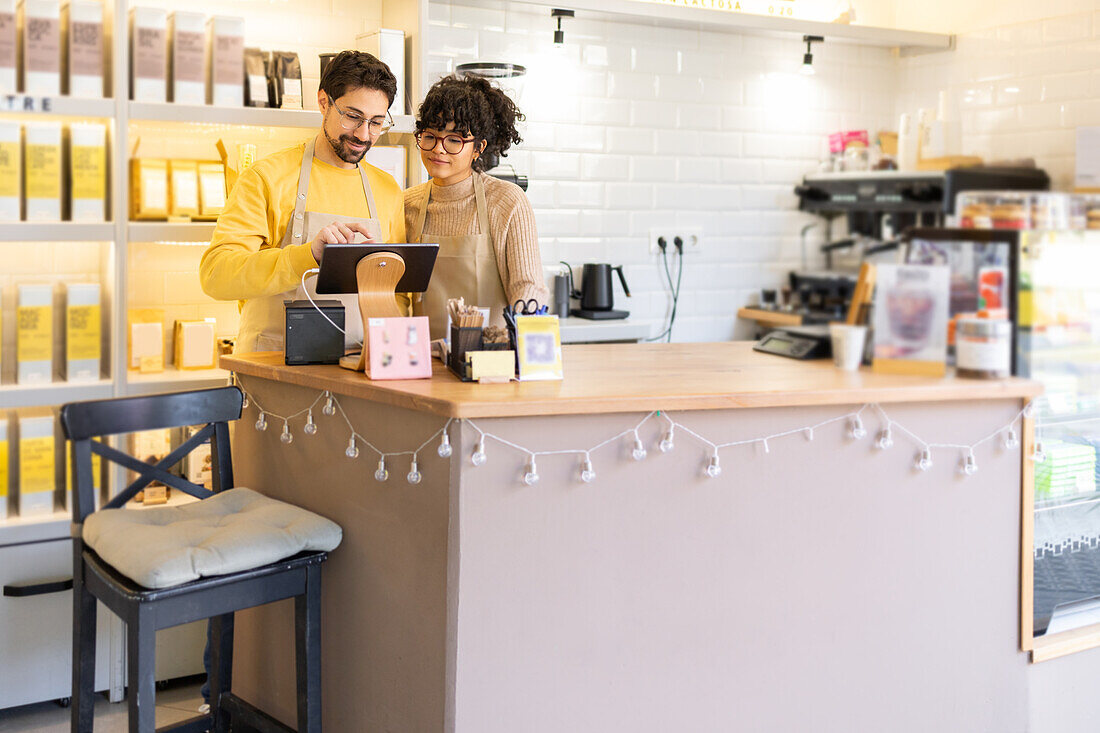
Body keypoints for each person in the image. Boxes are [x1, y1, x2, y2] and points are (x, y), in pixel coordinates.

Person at [200, 50, 406, 353]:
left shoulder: (387, 189)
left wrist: (394, 355)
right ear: (323, 102)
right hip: (274, 369)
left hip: (359, 373)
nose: (364, 135)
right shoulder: (266, 177)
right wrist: (307, 255)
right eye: (352, 117)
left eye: (376, 122)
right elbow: (216, 275)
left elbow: (395, 291)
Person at [403, 75, 548, 340]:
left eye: (454, 140)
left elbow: (528, 288)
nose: (438, 149)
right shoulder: (406, 205)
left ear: (478, 148)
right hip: (424, 362)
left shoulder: (507, 201)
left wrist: (520, 344)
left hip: (490, 361)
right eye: (430, 136)